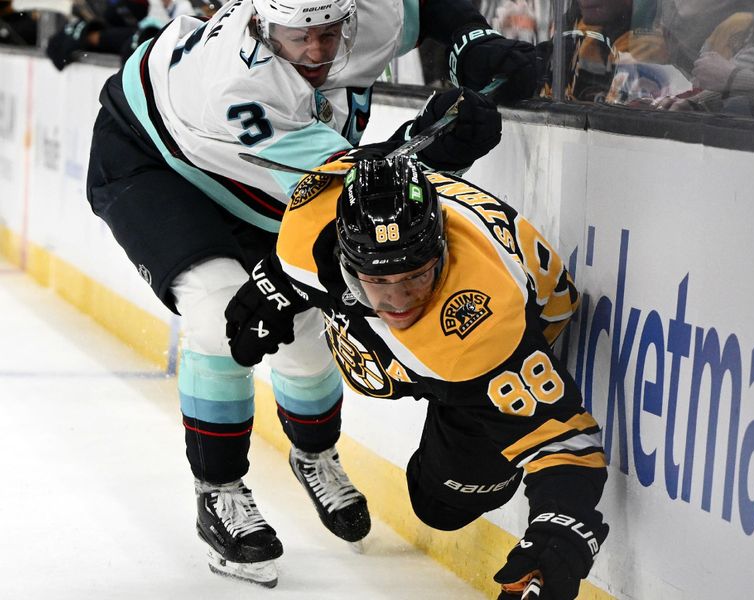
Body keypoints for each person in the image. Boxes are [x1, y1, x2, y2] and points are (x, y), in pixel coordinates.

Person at [85, 0, 546, 588]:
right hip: (153, 160)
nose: (318, 52)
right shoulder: (239, 84)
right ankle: (218, 491)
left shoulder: (363, 15)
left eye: (330, 33)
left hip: (253, 170)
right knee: (221, 314)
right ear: (257, 22)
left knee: (306, 332)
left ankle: (315, 454)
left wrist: (471, 41)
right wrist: (431, 143)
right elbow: (347, 185)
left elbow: (427, 9)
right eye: (297, 36)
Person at [226, 155, 610, 599]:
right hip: (439, 337)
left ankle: (447, 399)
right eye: (376, 280)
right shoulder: (306, 223)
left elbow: (565, 442)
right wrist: (276, 284)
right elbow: (371, 166)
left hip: (492, 354)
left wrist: (557, 532)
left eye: (416, 275)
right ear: (344, 262)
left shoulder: (478, 326)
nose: (399, 300)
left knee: (441, 505)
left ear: (442, 250)